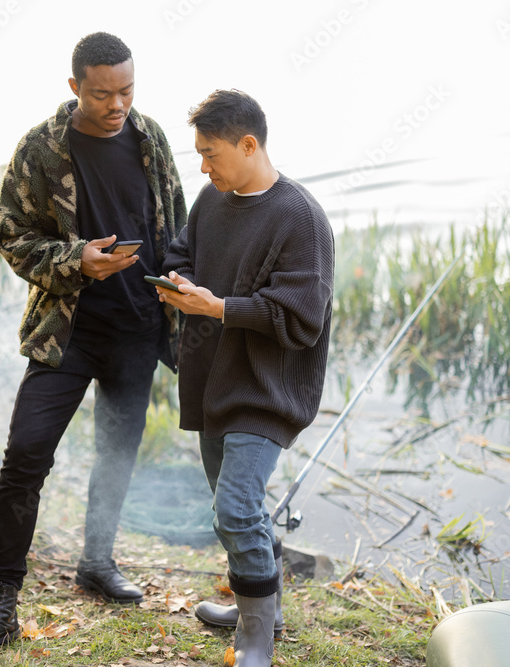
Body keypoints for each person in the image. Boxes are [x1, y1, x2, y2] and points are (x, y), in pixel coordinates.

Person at [0, 32, 186, 656]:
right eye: (104, 93)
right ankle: (1, 605)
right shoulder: (40, 148)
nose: (118, 105)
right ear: (75, 85)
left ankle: (96, 563)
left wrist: (183, 293)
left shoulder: (151, 138)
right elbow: (11, 237)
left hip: (140, 329)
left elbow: (178, 225)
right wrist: (76, 259)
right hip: (67, 332)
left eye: (128, 91)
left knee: (117, 454)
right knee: (25, 455)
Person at [156, 90, 334, 667]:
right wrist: (179, 282)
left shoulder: (299, 218)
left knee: (234, 509)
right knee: (238, 510)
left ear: (248, 144)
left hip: (268, 388)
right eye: (200, 154)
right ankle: (265, 604)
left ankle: (256, 635)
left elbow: (300, 321)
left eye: (211, 153)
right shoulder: (212, 199)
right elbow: (184, 252)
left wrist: (222, 308)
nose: (203, 167)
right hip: (213, 380)